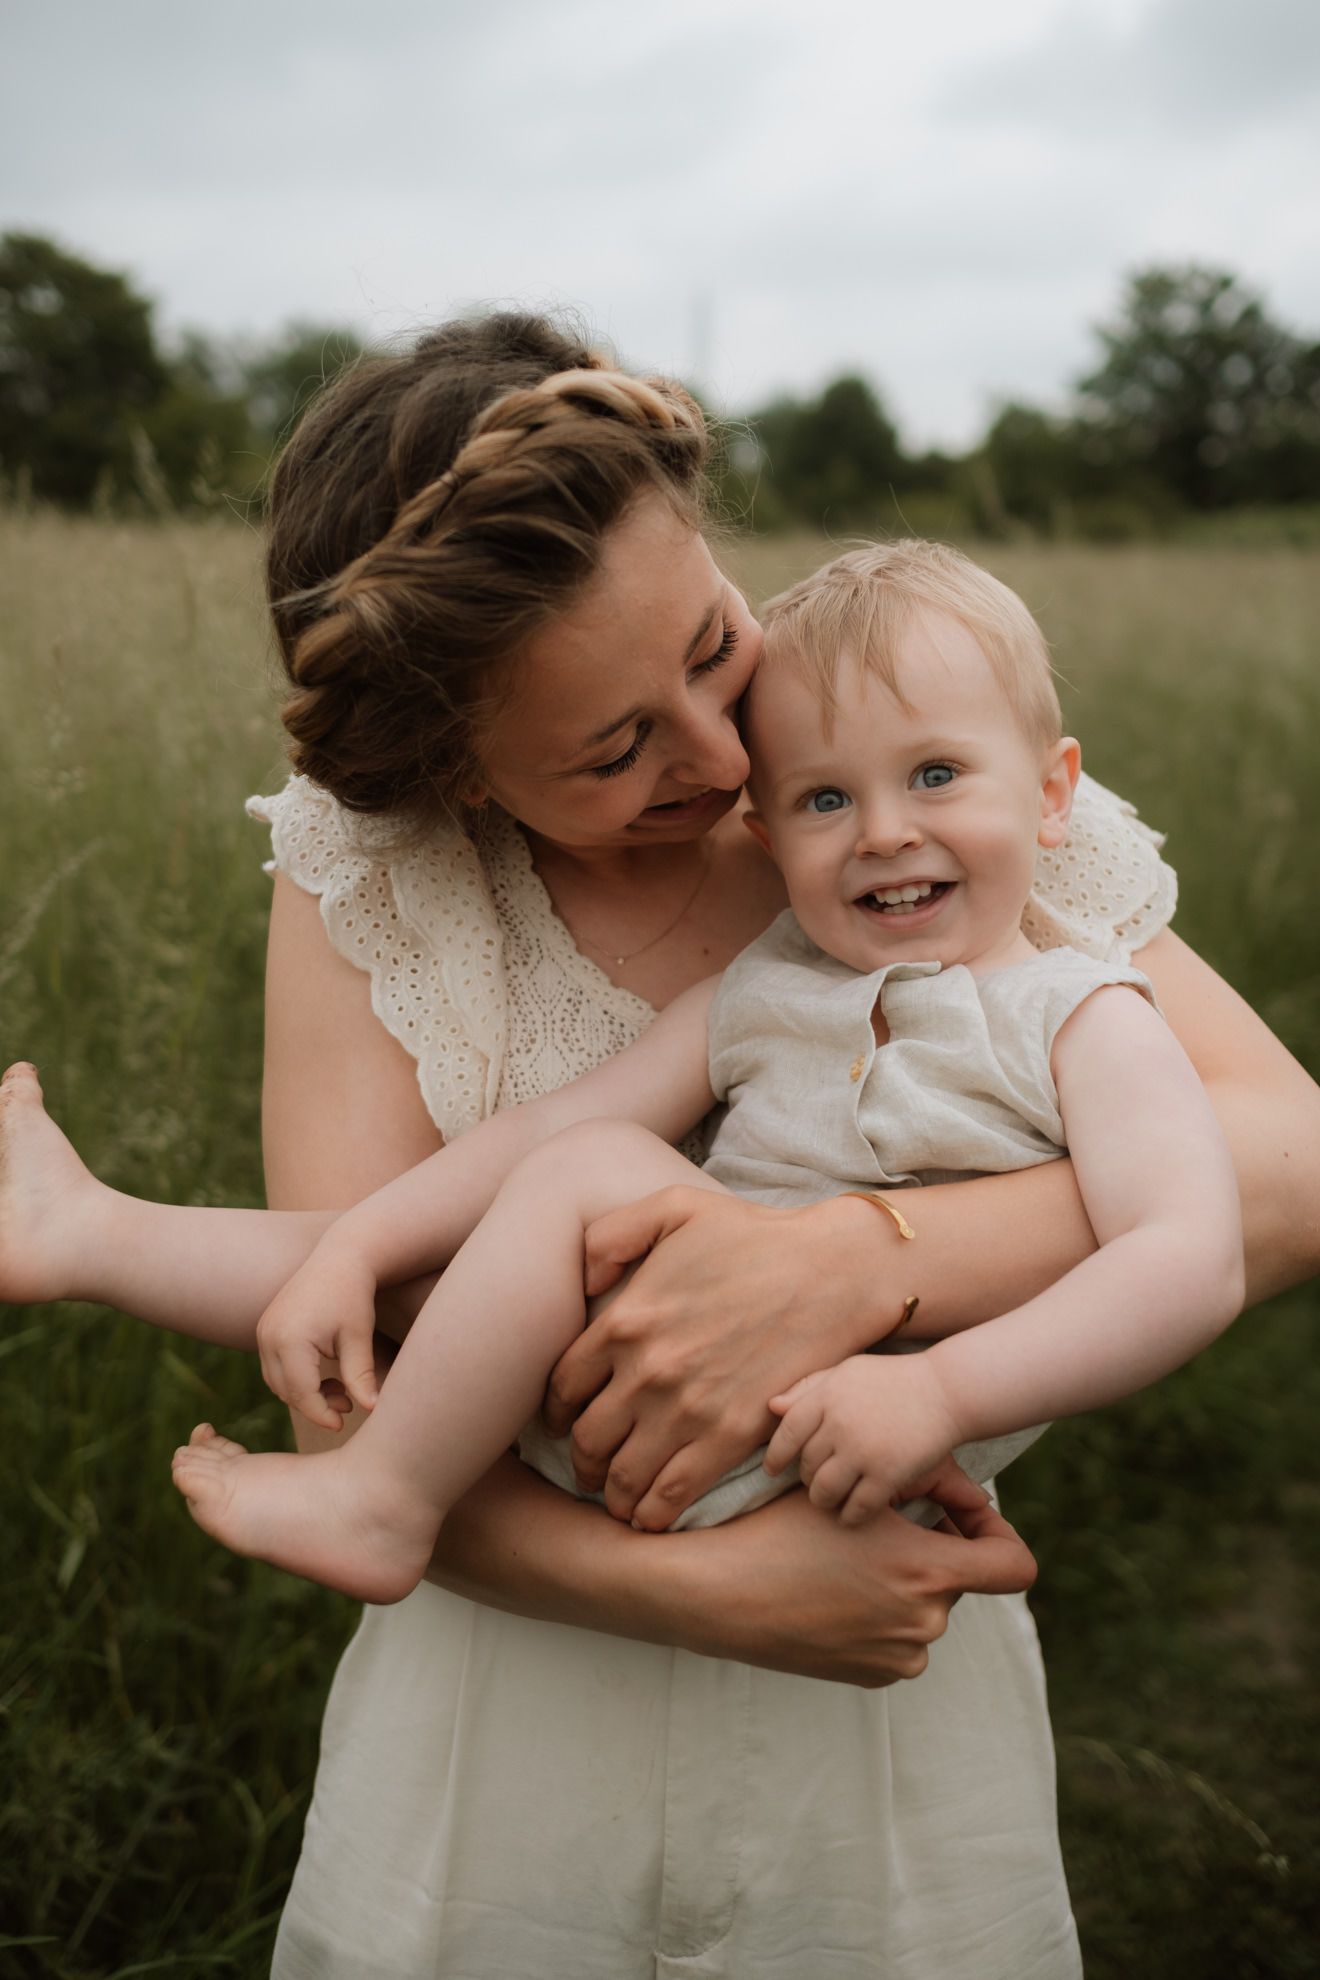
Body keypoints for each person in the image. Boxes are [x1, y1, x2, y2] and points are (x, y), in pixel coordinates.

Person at [11, 312, 1319, 1978]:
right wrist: (725, 1597)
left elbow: (1282, 1161)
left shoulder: (902, 756)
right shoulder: (377, 873)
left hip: (881, 1708)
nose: (726, 767)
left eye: (711, 645)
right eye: (615, 747)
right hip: (514, 1721)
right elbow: (362, 1357)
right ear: (458, 780)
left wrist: (856, 1268)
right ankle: (85, 1233)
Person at [0, 542, 1248, 1607]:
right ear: (762, 835)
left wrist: (938, 1391)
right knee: (435, 1247)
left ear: (1052, 796)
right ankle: (86, 1240)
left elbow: (1190, 1257)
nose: (882, 831)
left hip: (844, 1441)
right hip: (637, 1406)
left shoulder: (1083, 1013)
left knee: (575, 1190)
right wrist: (358, 1246)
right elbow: (555, 1125)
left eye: (933, 775)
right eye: (823, 798)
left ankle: (379, 1495)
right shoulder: (770, 989)